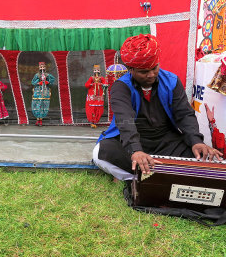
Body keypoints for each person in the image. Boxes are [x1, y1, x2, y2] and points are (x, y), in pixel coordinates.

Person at [92, 34, 223, 181]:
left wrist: (196, 141)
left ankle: (143, 177)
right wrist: (136, 150)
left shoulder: (172, 81)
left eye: (154, 68)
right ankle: (146, 177)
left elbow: (185, 114)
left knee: (208, 159)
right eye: (143, 72)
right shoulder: (121, 87)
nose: (151, 74)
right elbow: (125, 120)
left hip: (166, 141)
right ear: (131, 69)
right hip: (131, 141)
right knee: (100, 153)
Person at [31, 62, 55, 126]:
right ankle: (37, 119)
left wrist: (48, 82)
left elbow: (52, 80)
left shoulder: (47, 75)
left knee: (43, 105)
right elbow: (33, 82)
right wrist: (39, 83)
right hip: (38, 92)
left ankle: (41, 120)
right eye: (41, 67)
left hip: (45, 91)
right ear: (39, 68)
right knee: (37, 105)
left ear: (45, 68)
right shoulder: (37, 75)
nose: (42, 68)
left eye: (43, 67)